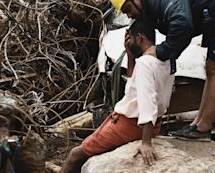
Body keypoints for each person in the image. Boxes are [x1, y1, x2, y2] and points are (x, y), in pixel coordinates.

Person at [109, 0, 215, 141]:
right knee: (211, 69)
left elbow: (182, 24)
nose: (130, 15)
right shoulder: (149, 5)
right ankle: (196, 125)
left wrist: (163, 51)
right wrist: (133, 48)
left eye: (128, 9)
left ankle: (202, 128)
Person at [60, 20, 175, 173]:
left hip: (129, 125)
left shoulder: (144, 64)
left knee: (75, 155)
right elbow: (134, 86)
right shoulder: (167, 60)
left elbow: (148, 103)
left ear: (139, 38)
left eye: (131, 39)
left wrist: (146, 142)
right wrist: (130, 54)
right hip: (152, 125)